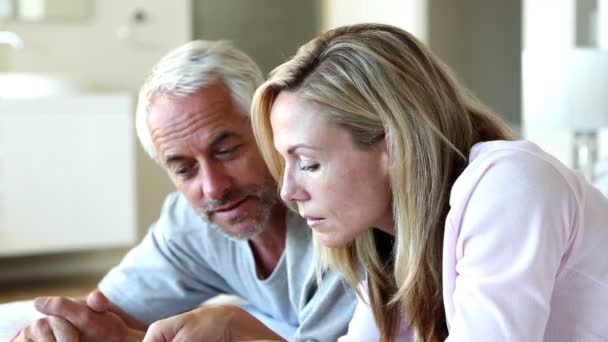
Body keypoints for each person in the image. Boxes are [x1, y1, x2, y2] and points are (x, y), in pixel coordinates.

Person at [251, 23, 608, 341]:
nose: (287, 192)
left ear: (393, 146)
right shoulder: (394, 245)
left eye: (309, 164)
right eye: (286, 162)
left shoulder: (510, 184)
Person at [12, 40, 356, 342]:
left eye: (226, 151)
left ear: (267, 127)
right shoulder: (189, 224)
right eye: (184, 169)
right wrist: (59, 330)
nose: (213, 187)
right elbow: (105, 316)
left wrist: (234, 325)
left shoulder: (339, 213)